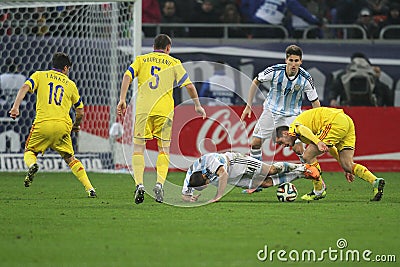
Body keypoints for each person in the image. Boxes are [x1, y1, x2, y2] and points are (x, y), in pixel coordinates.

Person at [117, 34, 206, 204]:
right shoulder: (174, 62)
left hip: (143, 110)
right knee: (163, 149)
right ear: (168, 48)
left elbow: (127, 76)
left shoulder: (142, 59)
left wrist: (122, 99)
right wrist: (197, 105)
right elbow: (189, 86)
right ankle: (159, 184)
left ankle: (139, 184)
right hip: (164, 112)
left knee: (138, 149)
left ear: (153, 46)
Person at [8, 52, 97, 197]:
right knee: (70, 159)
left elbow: (24, 87)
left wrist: (15, 107)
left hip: (43, 124)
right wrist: (76, 125)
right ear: (66, 68)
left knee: (30, 151)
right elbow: (80, 111)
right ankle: (90, 188)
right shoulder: (70, 84)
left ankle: (32, 165)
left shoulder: (39, 75)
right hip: (63, 126)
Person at [275, 107, 385, 201]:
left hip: (334, 121)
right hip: (346, 122)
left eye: (280, 142)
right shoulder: (304, 135)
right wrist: (344, 168)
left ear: (285, 133)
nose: (283, 145)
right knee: (347, 164)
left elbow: (302, 129)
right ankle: (375, 181)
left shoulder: (293, 127)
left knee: (307, 156)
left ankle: (319, 190)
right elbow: (331, 148)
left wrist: (318, 142)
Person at [241, 44, 321, 164]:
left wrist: (318, 123)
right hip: (271, 111)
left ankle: (317, 179)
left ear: (301, 61)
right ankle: (256, 174)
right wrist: (248, 105)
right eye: (291, 60)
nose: (293, 64)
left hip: (293, 115)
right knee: (255, 143)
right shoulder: (275, 71)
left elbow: (315, 101)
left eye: (296, 61)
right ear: (286, 60)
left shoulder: (305, 78)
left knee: (299, 149)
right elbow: (256, 81)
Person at [181, 151, 320, 203]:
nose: (206, 187)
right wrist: (189, 198)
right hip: (233, 178)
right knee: (263, 184)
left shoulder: (209, 161)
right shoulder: (190, 177)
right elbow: (184, 196)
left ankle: (302, 167)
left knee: (270, 170)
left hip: (235, 163)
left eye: (204, 186)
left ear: (205, 176)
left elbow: (223, 174)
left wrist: (218, 196)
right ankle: (301, 174)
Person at [328, 52, 393, 107]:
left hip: (356, 108)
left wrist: (332, 99)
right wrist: (332, 99)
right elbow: (333, 90)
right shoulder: (344, 75)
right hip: (360, 108)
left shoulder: (343, 75)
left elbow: (333, 90)